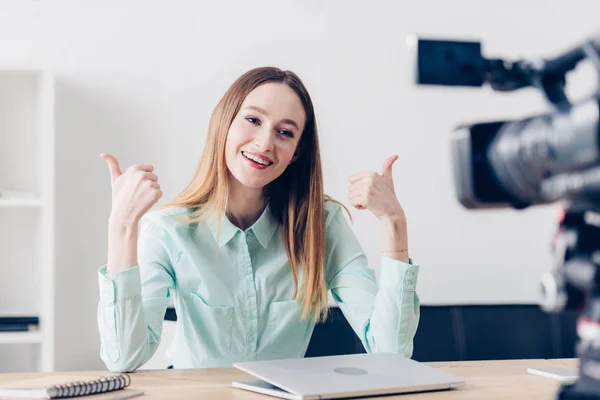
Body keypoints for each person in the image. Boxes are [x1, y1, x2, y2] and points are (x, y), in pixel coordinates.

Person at [97, 66, 420, 372]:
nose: (265, 143)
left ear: (296, 152)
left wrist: (394, 222)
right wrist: (122, 225)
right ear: (223, 123)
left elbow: (391, 351)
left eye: (284, 132)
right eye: (253, 119)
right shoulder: (168, 230)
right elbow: (124, 357)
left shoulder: (321, 224)